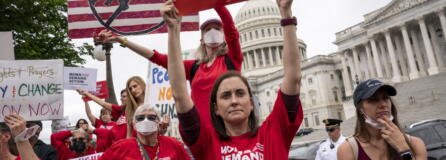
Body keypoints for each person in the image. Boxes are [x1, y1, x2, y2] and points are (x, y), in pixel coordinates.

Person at [163, 0, 302, 158]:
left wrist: (286, 14)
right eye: (226, 95)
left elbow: (293, 77)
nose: (234, 100)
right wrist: (173, 29)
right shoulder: (206, 144)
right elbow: (180, 95)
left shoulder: (273, 133)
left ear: (251, 102)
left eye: (240, 93)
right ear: (215, 108)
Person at [94, 0, 243, 129]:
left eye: (217, 29)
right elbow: (157, 58)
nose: (212, 32)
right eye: (207, 30)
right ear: (202, 39)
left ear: (224, 37)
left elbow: (230, 28)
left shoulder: (232, 59)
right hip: (202, 130)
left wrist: (215, 4)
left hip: (228, 127)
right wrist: (122, 40)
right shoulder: (194, 67)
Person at [337, 79, 427, 160]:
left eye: (385, 98)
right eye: (373, 100)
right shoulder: (348, 149)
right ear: (361, 109)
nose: (383, 104)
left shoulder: (415, 144)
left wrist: (404, 149)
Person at [99, 104, 191, 160]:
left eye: (151, 117)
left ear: (159, 122)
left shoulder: (173, 144)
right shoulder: (121, 147)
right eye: (140, 118)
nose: (145, 121)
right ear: (134, 124)